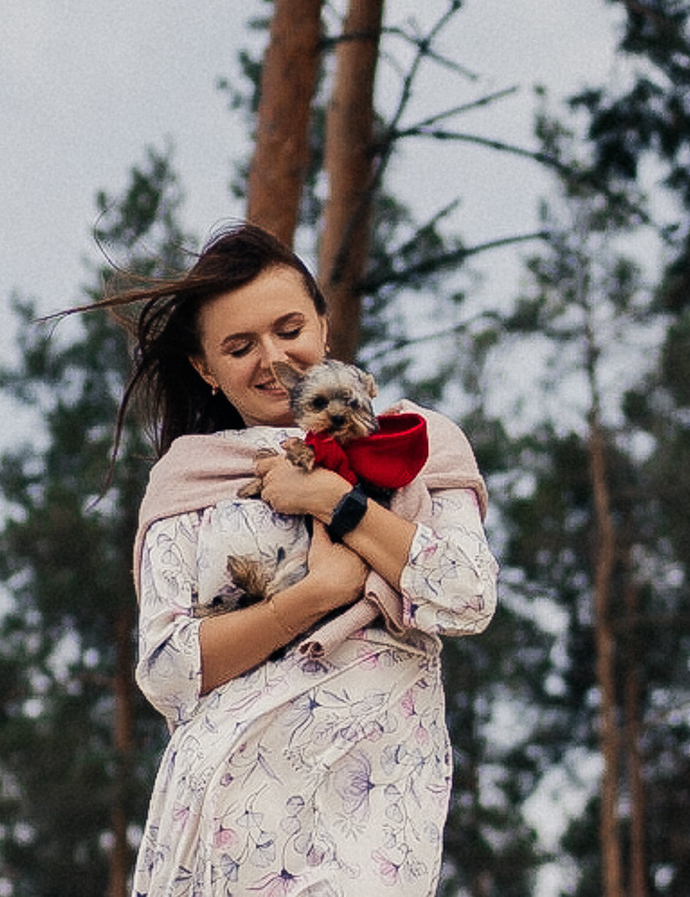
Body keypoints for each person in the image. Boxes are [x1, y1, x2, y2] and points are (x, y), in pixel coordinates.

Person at [105, 223, 496, 896]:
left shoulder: (417, 442)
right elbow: (168, 670)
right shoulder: (188, 482)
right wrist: (315, 596)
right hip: (226, 811)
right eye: (239, 345)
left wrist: (333, 499)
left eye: (289, 328)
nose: (272, 359)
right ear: (205, 368)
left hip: (370, 796)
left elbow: (467, 594)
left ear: (324, 320)